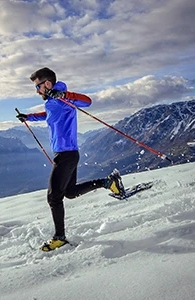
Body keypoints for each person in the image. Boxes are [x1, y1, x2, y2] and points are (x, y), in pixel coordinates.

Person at [16, 67, 125, 252]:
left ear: (47, 84)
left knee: (53, 197)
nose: (37, 91)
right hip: (66, 154)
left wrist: (65, 94)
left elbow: (87, 101)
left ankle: (60, 238)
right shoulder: (52, 102)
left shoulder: (63, 97)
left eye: (38, 87)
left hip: (66, 155)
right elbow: (47, 115)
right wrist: (28, 117)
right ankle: (108, 182)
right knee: (70, 192)